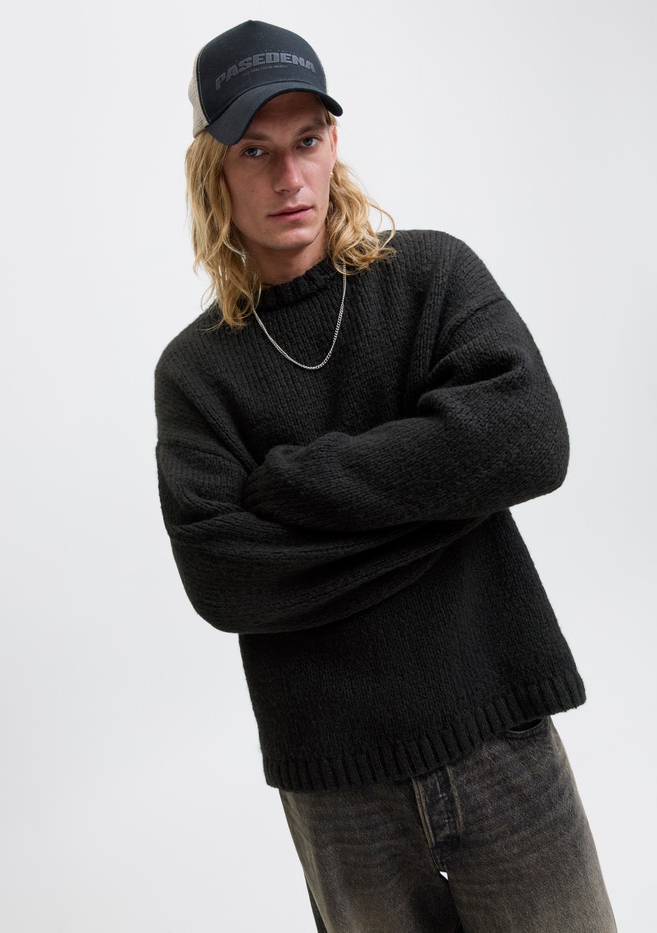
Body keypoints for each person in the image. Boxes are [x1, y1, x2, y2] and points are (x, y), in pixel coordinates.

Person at [155, 19, 616, 933]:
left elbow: (532, 441)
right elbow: (223, 577)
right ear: (215, 170)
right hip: (339, 794)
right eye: (256, 151)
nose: (289, 178)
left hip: (501, 742)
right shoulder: (196, 373)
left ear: (334, 145)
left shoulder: (432, 276)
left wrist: (297, 484)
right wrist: (445, 502)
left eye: (307, 140)